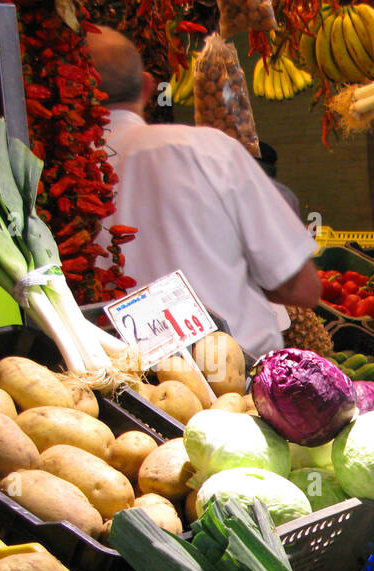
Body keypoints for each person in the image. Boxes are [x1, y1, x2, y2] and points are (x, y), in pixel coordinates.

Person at [87, 26, 320, 361]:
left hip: (117, 383)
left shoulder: (60, 174)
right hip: (238, 378)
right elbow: (301, 288)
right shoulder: (209, 150)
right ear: (149, 86)